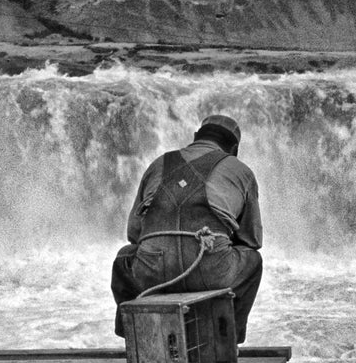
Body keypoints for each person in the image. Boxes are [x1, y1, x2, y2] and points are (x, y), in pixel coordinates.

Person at [111, 113, 263, 343]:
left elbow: (134, 233)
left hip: (152, 270)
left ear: (194, 137)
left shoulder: (159, 163)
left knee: (123, 258)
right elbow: (251, 240)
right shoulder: (240, 170)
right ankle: (229, 338)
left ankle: (135, 338)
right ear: (233, 149)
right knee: (253, 261)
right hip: (211, 269)